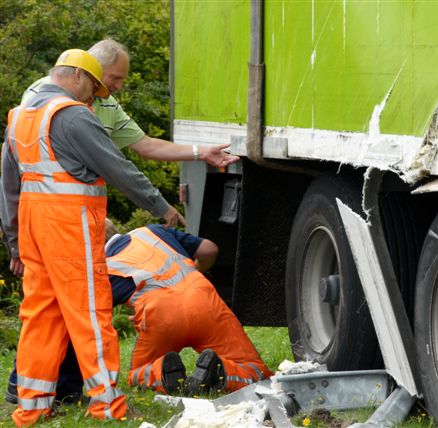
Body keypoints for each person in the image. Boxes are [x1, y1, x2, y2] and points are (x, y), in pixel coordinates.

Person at [0, 48, 185, 426]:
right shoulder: (72, 116)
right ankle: (106, 404)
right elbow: (119, 169)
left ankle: (31, 408)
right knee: (89, 312)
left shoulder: (19, 117)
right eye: (93, 90)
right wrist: (162, 207)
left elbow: (8, 187)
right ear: (77, 76)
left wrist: (14, 242)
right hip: (68, 227)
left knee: (39, 315)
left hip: (32, 228)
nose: (91, 100)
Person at [106, 221, 273, 395]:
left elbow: (96, 317)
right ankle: (220, 374)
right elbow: (209, 250)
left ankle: (163, 373)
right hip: (204, 301)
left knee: (139, 372)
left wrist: (141, 312)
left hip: (160, 317)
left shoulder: (102, 266)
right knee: (255, 369)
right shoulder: (152, 231)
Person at [23, 38, 239, 169]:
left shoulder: (108, 105)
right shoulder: (41, 93)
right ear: (93, 70)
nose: (120, 86)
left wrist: (202, 152)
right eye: (115, 78)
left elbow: (146, 145)